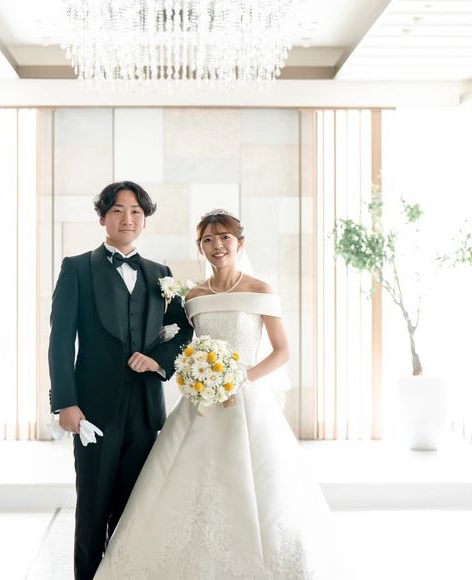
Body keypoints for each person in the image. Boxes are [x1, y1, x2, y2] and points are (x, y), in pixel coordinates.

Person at [93, 209, 343, 579]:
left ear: (240, 243)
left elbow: (281, 352)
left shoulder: (261, 290)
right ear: (201, 248)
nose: (217, 245)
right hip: (200, 403)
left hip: (247, 400)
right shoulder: (193, 297)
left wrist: (239, 379)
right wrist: (191, 372)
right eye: (208, 240)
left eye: (224, 237)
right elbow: (182, 345)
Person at [48, 181, 193, 580]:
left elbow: (183, 331)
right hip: (93, 410)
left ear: (144, 220)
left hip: (145, 410)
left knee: (134, 509)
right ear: (103, 219)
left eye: (136, 212)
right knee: (93, 507)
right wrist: (65, 402)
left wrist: (158, 360)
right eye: (117, 210)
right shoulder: (77, 268)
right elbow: (60, 340)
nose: (127, 218)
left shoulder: (160, 274)